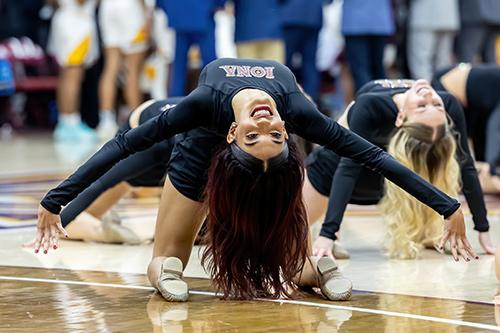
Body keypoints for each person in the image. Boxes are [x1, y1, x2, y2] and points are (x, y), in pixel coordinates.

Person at [34, 59, 476, 303]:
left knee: (263, 241)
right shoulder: (278, 111)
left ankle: (309, 271)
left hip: (260, 173)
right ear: (231, 133)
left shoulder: (222, 105)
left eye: (265, 134)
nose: (266, 123)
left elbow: (374, 157)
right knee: (169, 261)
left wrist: (447, 206)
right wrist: (59, 201)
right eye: (267, 134)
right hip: (196, 154)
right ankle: (175, 272)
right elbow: (123, 147)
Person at [305, 78, 494, 260]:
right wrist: (328, 233)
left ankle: (427, 232)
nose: (430, 97)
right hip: (333, 170)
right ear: (400, 117)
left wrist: (483, 228)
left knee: (437, 158)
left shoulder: (447, 104)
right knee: (290, 231)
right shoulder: (371, 104)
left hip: (392, 180)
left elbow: (466, 164)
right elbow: (348, 166)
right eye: (424, 106)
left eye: (436, 106)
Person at [55, 98, 182, 243]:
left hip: (164, 130)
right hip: (142, 134)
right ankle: (100, 231)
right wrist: (54, 215)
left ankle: (100, 230)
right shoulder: (155, 147)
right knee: (70, 222)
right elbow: (99, 183)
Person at [431, 63, 500, 194]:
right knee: (453, 143)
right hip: (446, 85)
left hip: (473, 98)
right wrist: (491, 168)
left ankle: (481, 172)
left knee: (480, 140)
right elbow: (495, 129)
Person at [97, 0, 151, 139]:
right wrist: (148, 16)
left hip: (107, 6)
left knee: (110, 68)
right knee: (132, 71)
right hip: (130, 8)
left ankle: (106, 121)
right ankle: (137, 122)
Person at [47, 0, 99, 142]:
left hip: (67, 18)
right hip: (76, 23)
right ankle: (71, 121)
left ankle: (66, 121)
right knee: (73, 76)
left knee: (67, 76)